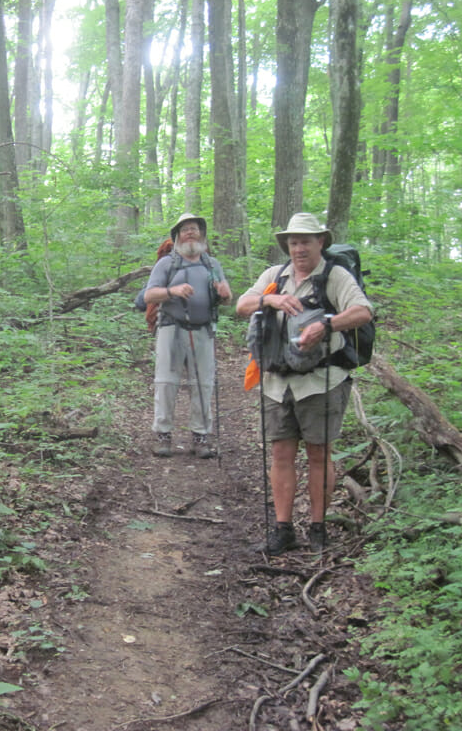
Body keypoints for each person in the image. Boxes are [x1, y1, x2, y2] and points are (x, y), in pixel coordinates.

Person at [235, 213, 373, 554]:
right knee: (281, 452)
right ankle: (282, 530)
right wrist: (271, 299)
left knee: (318, 453)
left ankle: (318, 528)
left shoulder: (334, 275)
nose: (299, 248)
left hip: (321, 382)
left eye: (305, 241)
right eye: (293, 242)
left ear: (320, 242)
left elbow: (363, 311)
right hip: (275, 382)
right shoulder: (274, 276)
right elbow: (241, 305)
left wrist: (327, 325)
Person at [143, 214, 233, 459]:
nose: (190, 233)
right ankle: (163, 435)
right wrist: (172, 291)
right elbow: (149, 296)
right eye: (185, 230)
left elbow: (226, 298)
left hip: (203, 329)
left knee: (203, 383)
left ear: (202, 235)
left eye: (195, 229)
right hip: (171, 328)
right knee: (166, 382)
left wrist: (226, 294)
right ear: (177, 236)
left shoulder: (212, 264)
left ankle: (201, 437)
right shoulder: (166, 264)